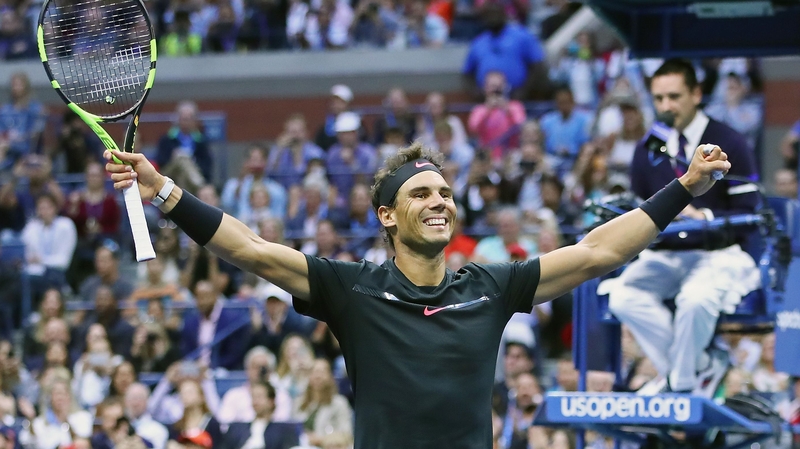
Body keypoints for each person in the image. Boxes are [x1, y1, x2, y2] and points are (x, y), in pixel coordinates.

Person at [105, 127, 730, 448]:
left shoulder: (493, 284)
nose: (440, 203)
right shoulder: (349, 289)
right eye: (421, 194)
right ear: (386, 215)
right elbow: (249, 249)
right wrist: (164, 191)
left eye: (445, 194)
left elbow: (598, 252)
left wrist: (684, 188)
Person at [605, 58, 761, 396]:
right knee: (622, 296)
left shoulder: (730, 141)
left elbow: (750, 212)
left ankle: (680, 387)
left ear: (696, 93)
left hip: (719, 253)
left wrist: (704, 217)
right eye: (659, 99)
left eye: (674, 97)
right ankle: (699, 369)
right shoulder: (647, 149)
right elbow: (639, 210)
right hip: (666, 254)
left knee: (696, 299)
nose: (666, 106)